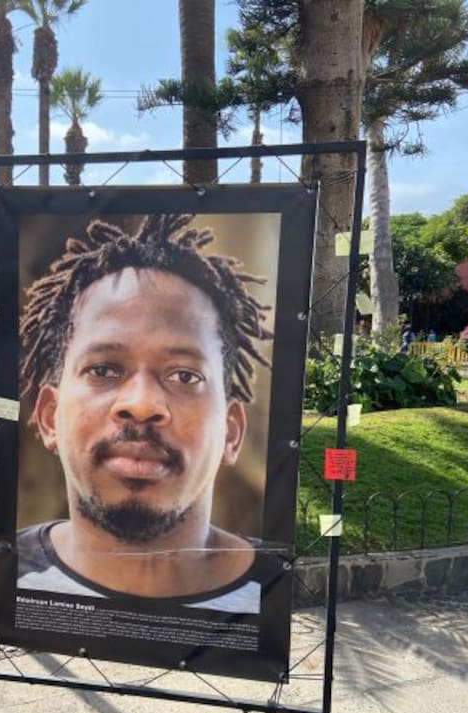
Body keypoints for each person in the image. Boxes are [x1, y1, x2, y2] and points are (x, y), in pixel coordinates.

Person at [16, 214, 286, 614]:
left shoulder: (271, 592)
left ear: (230, 433)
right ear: (48, 417)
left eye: (184, 375)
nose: (141, 404)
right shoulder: (13, 575)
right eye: (103, 370)